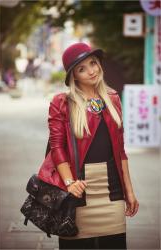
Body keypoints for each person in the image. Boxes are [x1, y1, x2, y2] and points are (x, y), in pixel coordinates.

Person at [39, 42, 139, 249]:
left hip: (112, 191)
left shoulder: (112, 99)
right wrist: (69, 182)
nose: (91, 71)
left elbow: (120, 151)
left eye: (93, 63)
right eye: (81, 69)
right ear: (73, 76)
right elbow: (57, 148)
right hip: (78, 192)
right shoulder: (62, 103)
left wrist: (129, 190)